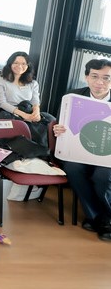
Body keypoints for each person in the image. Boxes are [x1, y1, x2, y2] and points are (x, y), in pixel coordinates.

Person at [52, 59, 111, 241]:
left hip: (107, 156)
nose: (100, 82)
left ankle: (108, 218)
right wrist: (58, 129)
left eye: (106, 78)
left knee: (101, 176)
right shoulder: (73, 97)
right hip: (79, 151)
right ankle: (95, 215)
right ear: (86, 77)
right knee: (72, 168)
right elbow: (61, 123)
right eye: (94, 76)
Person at [0, 51, 55, 147]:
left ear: (28, 66)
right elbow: (2, 103)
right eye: (16, 63)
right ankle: (36, 151)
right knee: (27, 128)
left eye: (23, 63)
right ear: (10, 64)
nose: (19, 66)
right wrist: (24, 115)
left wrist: (36, 113)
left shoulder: (33, 83)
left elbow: (35, 101)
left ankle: (51, 151)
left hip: (28, 110)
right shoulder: (0, 80)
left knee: (52, 122)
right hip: (9, 112)